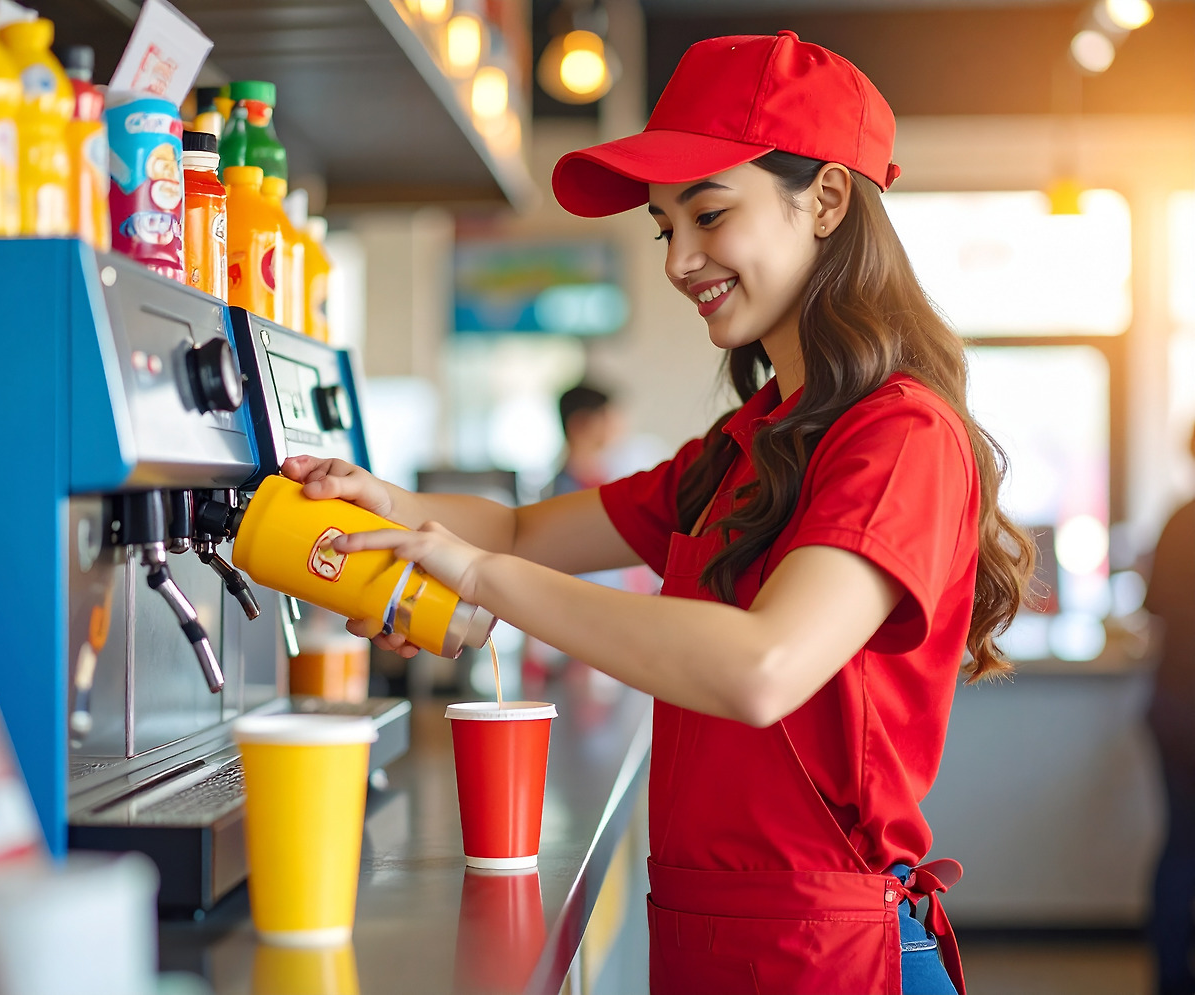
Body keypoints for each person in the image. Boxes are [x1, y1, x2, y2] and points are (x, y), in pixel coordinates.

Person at [281, 31, 1033, 995]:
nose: (679, 259)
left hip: (829, 956)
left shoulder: (900, 437)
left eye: (709, 214)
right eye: (664, 226)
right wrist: (386, 504)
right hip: (711, 943)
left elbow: (763, 666)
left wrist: (486, 583)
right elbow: (519, 529)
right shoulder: (743, 446)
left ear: (828, 201)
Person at [1145, 426, 1195, 995]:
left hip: (1173, 704)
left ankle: (1170, 977)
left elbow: (1155, 607)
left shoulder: (1180, 521)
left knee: (1180, 843)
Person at [545, 382, 620, 498]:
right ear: (579, 423)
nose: (613, 425)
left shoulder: (600, 477)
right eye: (604, 417)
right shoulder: (565, 490)